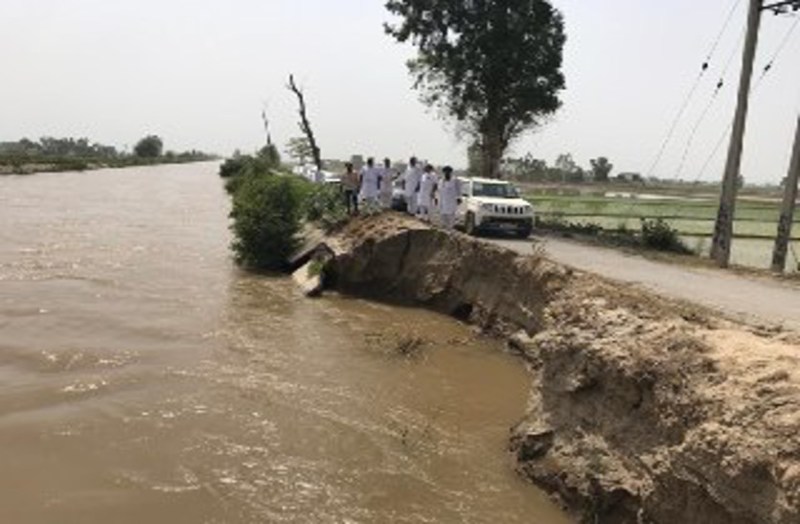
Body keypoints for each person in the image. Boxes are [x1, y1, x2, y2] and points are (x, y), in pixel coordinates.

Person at [436, 166, 461, 230]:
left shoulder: (455, 181)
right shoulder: (441, 181)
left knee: (450, 223)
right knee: (442, 223)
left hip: (451, 205)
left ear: (450, 172)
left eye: (448, 172)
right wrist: (437, 199)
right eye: (445, 172)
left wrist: (459, 198)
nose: (446, 173)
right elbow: (439, 191)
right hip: (442, 204)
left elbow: (458, 191)